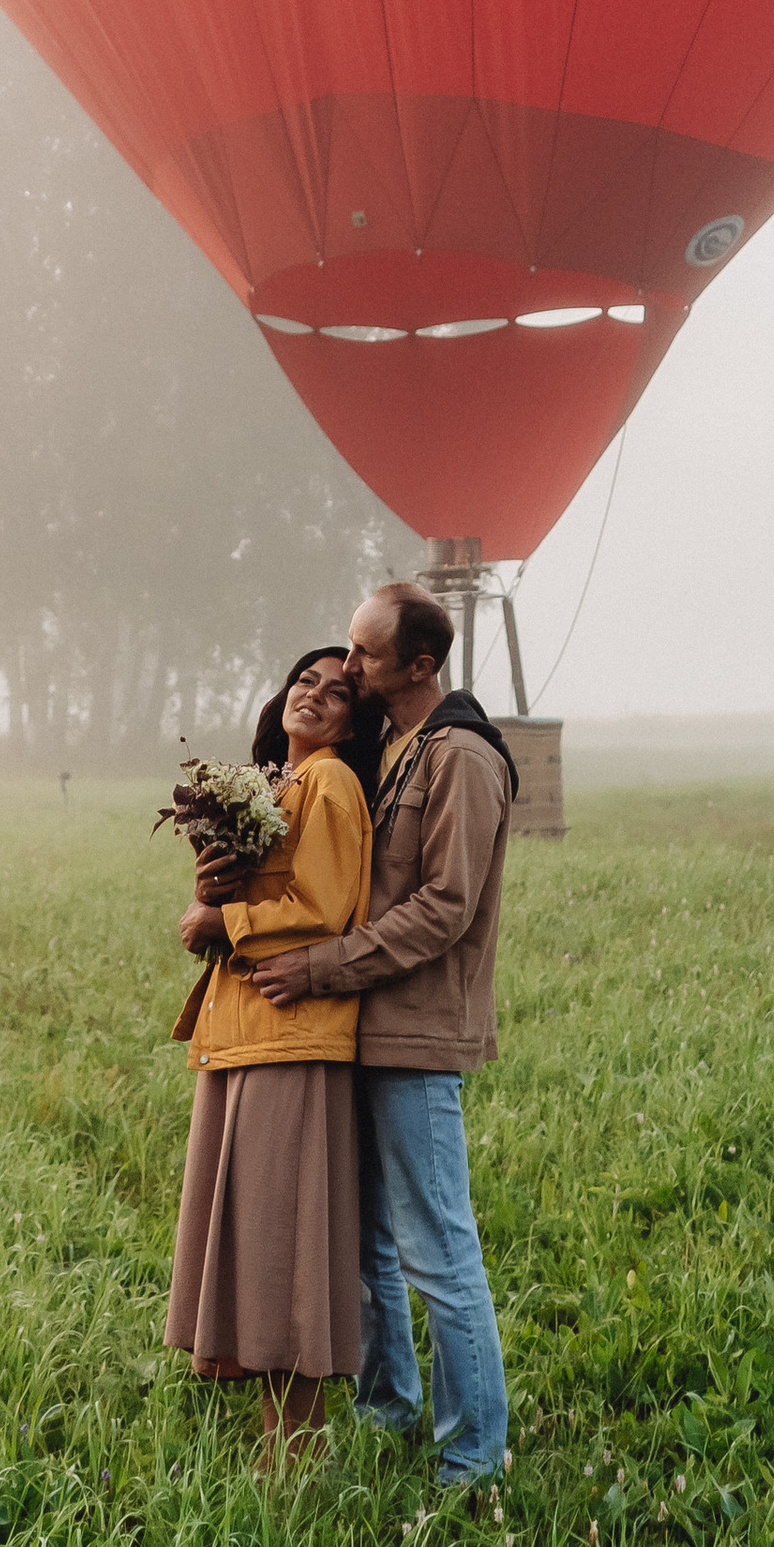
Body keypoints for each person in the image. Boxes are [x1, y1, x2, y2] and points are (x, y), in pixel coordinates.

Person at [254, 581, 515, 1490]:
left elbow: (446, 906)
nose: (348, 665)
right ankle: (386, 1405)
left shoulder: (462, 758)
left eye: (364, 654)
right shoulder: (398, 747)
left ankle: (474, 1456)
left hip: (416, 1035)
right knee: (368, 1242)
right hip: (366, 1030)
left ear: (419, 666)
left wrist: (323, 968)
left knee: (437, 1251)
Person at [161, 647, 373, 1461]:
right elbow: (263, 892)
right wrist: (208, 894)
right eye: (305, 681)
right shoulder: (274, 785)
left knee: (284, 1239)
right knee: (256, 1235)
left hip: (290, 1033)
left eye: (338, 692)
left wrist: (225, 926)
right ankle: (277, 1441)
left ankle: (298, 1450)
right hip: (245, 1032)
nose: (315, 695)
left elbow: (323, 907)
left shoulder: (330, 782)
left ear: (356, 722)